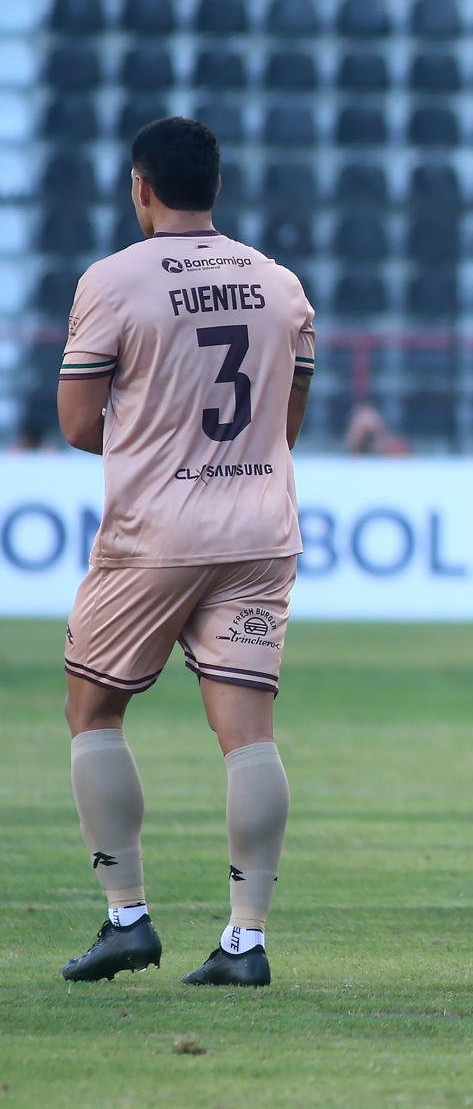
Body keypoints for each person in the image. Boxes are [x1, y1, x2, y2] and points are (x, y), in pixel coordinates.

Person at [56, 117, 316, 988]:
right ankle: (246, 940)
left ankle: (127, 915)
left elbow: (78, 424)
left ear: (140, 186)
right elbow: (288, 424)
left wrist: (155, 445)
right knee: (248, 734)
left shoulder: (113, 281)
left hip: (155, 533)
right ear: (215, 184)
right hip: (258, 528)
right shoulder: (280, 285)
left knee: (93, 710)